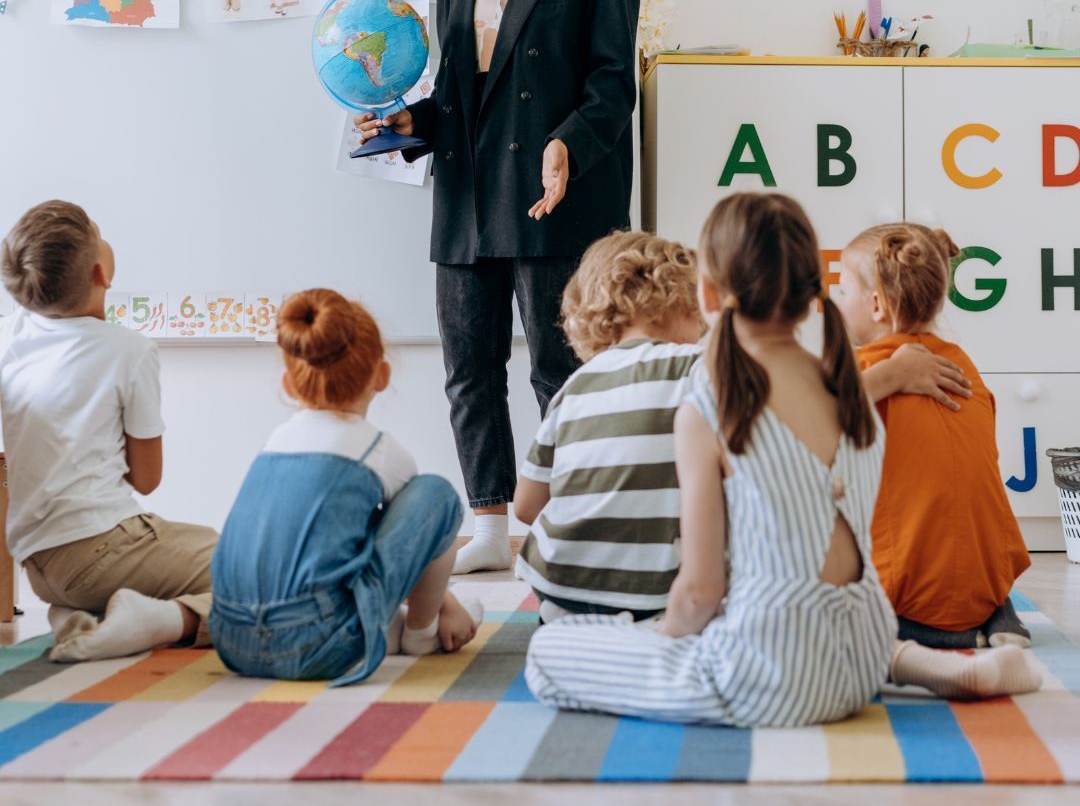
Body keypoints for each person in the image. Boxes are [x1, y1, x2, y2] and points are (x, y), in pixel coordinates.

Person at [526, 194, 1042, 726]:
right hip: (862, 655)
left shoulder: (709, 404)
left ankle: (915, 666)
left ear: (707, 292)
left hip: (771, 680)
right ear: (811, 292)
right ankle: (931, 668)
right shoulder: (849, 388)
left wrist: (661, 642)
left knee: (552, 650)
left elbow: (700, 593)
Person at [354, 0, 640, 574]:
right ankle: (488, 523)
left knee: (561, 367)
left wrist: (570, 143)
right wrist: (410, 122)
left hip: (556, 198)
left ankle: (570, 520)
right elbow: (457, 94)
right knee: (468, 365)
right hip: (468, 198)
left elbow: (614, 80)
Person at [210, 289, 481, 684]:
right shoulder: (379, 452)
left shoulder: (272, 446)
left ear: (289, 384)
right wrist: (443, 602)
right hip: (315, 643)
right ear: (382, 375)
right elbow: (415, 540)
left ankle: (387, 628)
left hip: (230, 640)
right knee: (436, 495)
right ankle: (422, 634)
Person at [0, 200, 216, 662]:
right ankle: (162, 621)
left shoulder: (10, 338)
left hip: (40, 565)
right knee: (254, 569)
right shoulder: (128, 350)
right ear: (101, 272)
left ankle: (77, 617)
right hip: (101, 547)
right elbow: (147, 478)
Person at [838, 223, 1032, 648]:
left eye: (843, 292)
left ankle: (923, 635)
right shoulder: (962, 363)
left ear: (876, 305)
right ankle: (999, 612)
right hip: (984, 588)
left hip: (906, 602)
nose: (839, 303)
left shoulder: (857, 372)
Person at [513, 232, 702, 622]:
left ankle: (575, 634)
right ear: (680, 301)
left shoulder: (574, 388)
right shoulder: (697, 367)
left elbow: (526, 506)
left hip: (562, 589)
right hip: (661, 595)